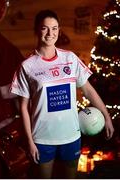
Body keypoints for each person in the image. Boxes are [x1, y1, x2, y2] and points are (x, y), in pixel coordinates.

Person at [10, 9, 114, 179]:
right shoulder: (27, 66)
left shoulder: (70, 59)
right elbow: (23, 108)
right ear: (37, 30)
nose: (50, 33)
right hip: (43, 138)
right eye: (45, 28)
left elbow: (88, 90)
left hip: (71, 134)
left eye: (55, 28)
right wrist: (29, 141)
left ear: (59, 30)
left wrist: (107, 117)